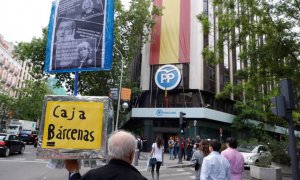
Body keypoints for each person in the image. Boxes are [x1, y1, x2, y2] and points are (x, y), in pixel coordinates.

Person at [65, 130, 147, 180]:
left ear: (109, 152)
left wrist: (74, 172)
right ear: (132, 154)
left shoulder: (93, 175)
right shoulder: (139, 178)